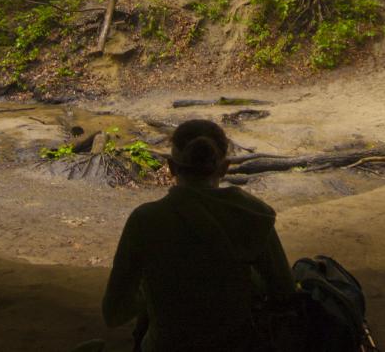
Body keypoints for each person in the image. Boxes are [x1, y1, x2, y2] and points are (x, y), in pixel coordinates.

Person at [102, 119, 295, 351]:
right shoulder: (254, 214)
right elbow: (285, 293)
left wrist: (155, 292)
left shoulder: (144, 220)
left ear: (171, 167)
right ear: (225, 168)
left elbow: (114, 313)